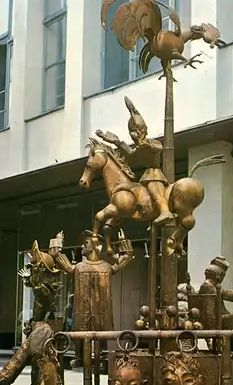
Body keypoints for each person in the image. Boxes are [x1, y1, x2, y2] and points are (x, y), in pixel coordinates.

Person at [49, 230, 134, 367]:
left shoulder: (106, 267)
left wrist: (123, 242)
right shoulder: (79, 267)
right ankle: (80, 357)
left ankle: (101, 357)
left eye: (86, 243)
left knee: (102, 336)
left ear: (96, 246)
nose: (82, 246)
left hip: (102, 313)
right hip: (83, 313)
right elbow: (56, 255)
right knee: (81, 336)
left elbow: (127, 257)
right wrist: (57, 242)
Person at [96, 96, 174, 226]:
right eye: (133, 132)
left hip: (155, 176)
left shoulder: (152, 143)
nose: (137, 134)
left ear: (144, 130)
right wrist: (116, 141)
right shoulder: (138, 148)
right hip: (145, 177)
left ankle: (165, 211)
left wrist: (146, 145)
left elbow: (158, 147)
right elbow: (130, 153)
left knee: (154, 190)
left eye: (139, 131)